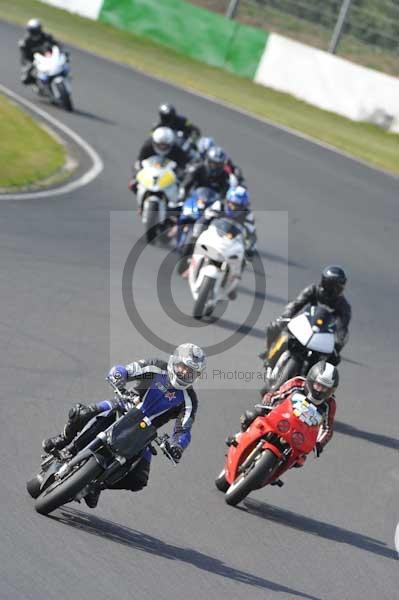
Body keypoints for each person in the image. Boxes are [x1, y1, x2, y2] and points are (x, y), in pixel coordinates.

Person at [42, 344, 206, 508]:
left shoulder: (189, 399)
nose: (185, 373)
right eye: (183, 367)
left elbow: (184, 429)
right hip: (124, 405)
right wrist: (118, 376)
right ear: (175, 361)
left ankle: (99, 485)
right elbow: (127, 370)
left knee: (139, 480)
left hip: (144, 432)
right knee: (81, 413)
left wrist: (177, 445)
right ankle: (64, 440)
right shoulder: (156, 366)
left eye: (190, 371)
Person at [237, 361, 338, 473]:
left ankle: (275, 470)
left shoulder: (330, 404)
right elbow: (278, 394)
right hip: (280, 416)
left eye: (325, 388)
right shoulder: (297, 382)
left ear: (331, 390)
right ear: (311, 379)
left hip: (300, 433)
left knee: (299, 460)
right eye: (318, 385)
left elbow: (327, 428)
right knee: (253, 415)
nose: (319, 390)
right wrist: (268, 400)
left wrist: (319, 444)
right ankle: (240, 437)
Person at [263, 266, 351, 366]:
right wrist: (285, 316)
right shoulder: (313, 290)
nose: (340, 289)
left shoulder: (343, 306)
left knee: (334, 359)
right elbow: (295, 305)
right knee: (274, 327)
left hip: (322, 335)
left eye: (341, 287)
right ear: (328, 284)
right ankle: (269, 354)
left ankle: (313, 376)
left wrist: (337, 344)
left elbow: (342, 328)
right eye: (337, 286)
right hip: (303, 325)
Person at [178, 185, 257, 282]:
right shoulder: (219, 205)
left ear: (244, 206)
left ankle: (234, 279)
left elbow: (251, 233)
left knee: (243, 256)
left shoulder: (248, 215)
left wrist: (250, 249)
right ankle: (185, 261)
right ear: (228, 201)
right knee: (192, 239)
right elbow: (203, 219)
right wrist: (197, 233)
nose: (234, 207)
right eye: (232, 204)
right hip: (214, 233)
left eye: (238, 206)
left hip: (232, 239)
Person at [129, 127, 190, 192]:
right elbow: (139, 161)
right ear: (154, 142)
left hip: (169, 176)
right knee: (134, 181)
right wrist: (136, 177)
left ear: (171, 144)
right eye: (160, 145)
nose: (162, 147)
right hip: (151, 172)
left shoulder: (176, 149)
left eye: (165, 145)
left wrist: (179, 174)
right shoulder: (147, 147)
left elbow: (184, 165)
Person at [19, 19, 63, 85]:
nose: (35, 32)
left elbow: (57, 44)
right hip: (35, 61)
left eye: (36, 30)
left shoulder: (46, 36)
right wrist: (29, 65)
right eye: (33, 30)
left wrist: (59, 50)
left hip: (49, 57)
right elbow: (24, 57)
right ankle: (38, 85)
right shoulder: (25, 42)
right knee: (25, 79)